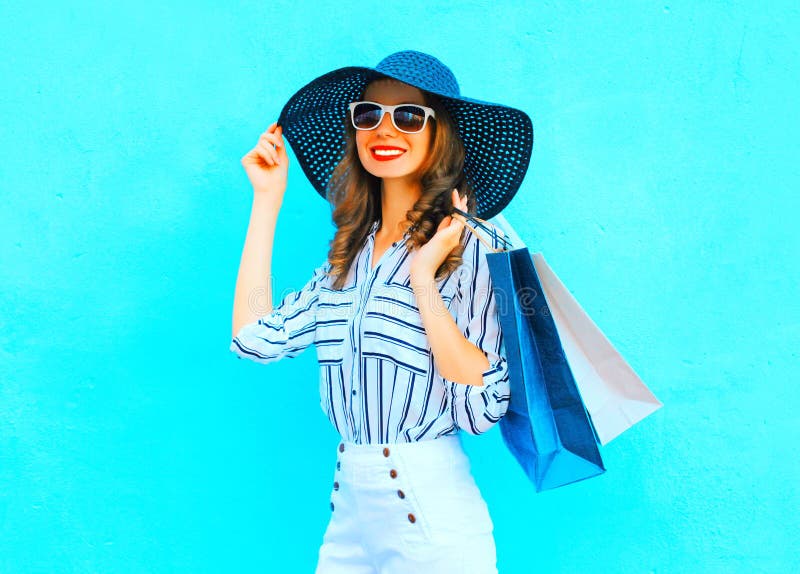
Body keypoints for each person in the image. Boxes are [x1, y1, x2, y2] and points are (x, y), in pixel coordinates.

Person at [230, 50, 533, 574]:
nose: (383, 129)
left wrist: (423, 279)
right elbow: (256, 337)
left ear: (442, 135)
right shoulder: (349, 255)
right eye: (368, 114)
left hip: (429, 512)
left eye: (409, 116)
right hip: (350, 507)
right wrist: (266, 201)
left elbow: (482, 408)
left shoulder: (476, 241)